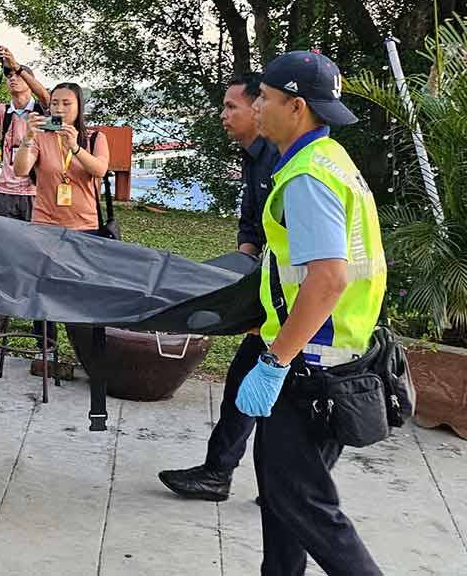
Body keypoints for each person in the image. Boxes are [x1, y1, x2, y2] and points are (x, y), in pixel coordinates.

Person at [237, 51, 386, 575]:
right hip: (333, 356)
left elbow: (327, 278)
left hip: (309, 367)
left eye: (265, 97)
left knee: (307, 508)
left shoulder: (307, 177)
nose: (256, 106)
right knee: (285, 500)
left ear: (295, 106)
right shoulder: (330, 159)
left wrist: (275, 362)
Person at [158, 72, 282, 502]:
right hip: (269, 291)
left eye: (232, 107)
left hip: (293, 304)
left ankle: (267, 485)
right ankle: (246, 480)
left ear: (259, 109)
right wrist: (242, 272)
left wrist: (268, 309)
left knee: (268, 391)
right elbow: (253, 227)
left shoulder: (284, 161)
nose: (223, 114)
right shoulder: (253, 158)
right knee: (252, 386)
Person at [12, 82, 110, 346]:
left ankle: (86, 348)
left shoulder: (94, 138)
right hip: (45, 223)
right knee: (43, 286)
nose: (59, 108)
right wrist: (28, 138)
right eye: (55, 103)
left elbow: (100, 169)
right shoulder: (42, 137)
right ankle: (46, 345)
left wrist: (74, 147)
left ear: (79, 107)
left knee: (81, 289)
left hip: (84, 224)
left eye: (67, 104)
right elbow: (21, 170)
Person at [0, 46, 51, 334]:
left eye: (17, 75)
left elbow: (45, 96)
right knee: (3, 256)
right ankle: (1, 318)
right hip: (5, 192)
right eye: (8, 76)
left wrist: (16, 66)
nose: (12, 79)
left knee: (37, 256)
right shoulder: (4, 113)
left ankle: (41, 324)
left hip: (33, 193)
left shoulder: (41, 113)